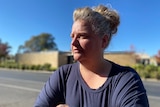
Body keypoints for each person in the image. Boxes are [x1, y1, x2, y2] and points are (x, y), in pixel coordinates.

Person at [34, 4, 149, 107]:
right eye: (72, 36)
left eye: (82, 36)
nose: (73, 43)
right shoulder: (62, 75)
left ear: (103, 41)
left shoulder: (126, 79)